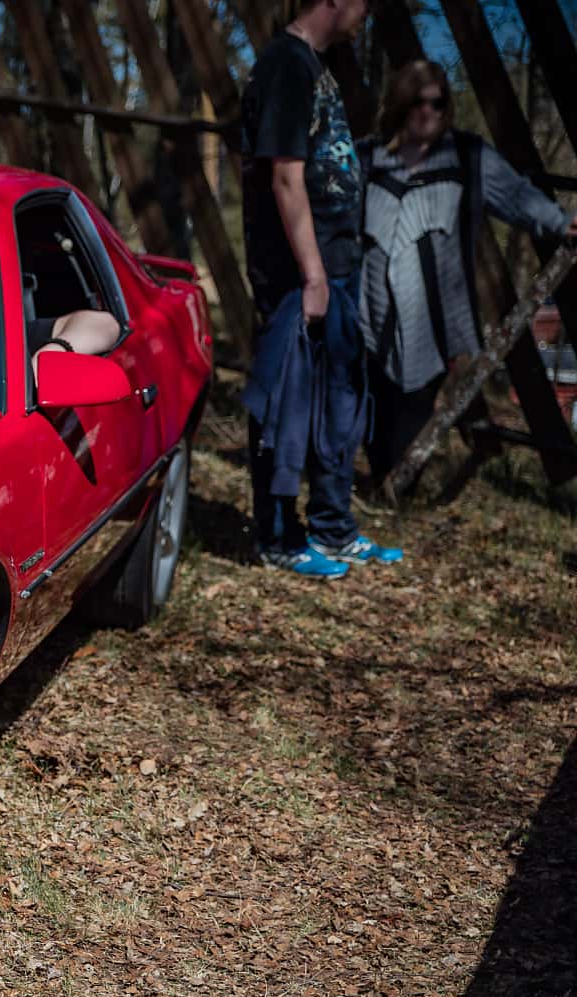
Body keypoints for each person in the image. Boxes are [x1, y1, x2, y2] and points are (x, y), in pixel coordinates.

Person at [238, 0, 401, 579]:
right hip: (299, 274)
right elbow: (284, 174)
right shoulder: (285, 63)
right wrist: (310, 274)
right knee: (289, 402)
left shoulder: (315, 65)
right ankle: (278, 535)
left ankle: (334, 528)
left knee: (339, 403)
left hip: (335, 265)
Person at [359, 61, 577, 485]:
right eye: (417, 102)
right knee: (374, 400)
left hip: (435, 317)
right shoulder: (369, 156)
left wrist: (557, 220)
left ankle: (395, 481)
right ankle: (380, 477)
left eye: (438, 103)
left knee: (413, 403)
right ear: (400, 104)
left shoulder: (468, 155)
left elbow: (516, 196)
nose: (427, 112)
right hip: (370, 308)